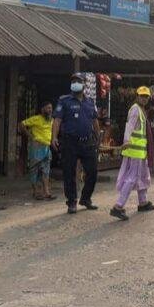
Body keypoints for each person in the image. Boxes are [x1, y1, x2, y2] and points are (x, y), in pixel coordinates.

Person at [51, 73, 101, 214]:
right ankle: (71, 202)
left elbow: (95, 121)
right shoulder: (64, 101)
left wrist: (98, 137)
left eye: (78, 81)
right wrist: (54, 137)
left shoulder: (90, 102)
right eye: (73, 81)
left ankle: (85, 198)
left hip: (87, 142)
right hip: (69, 142)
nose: (75, 83)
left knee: (92, 172)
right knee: (69, 173)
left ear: (84, 84)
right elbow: (57, 120)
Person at [111, 87, 154, 221]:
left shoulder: (141, 110)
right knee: (132, 178)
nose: (144, 98)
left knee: (143, 176)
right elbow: (129, 126)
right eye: (142, 96)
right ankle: (118, 206)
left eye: (146, 96)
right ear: (137, 96)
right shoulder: (136, 109)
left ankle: (143, 202)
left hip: (140, 151)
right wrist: (126, 140)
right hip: (134, 151)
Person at [20, 102, 56, 201]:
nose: (50, 110)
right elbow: (22, 124)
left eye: (51, 108)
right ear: (42, 109)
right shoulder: (36, 118)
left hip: (47, 147)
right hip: (36, 147)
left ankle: (47, 192)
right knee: (34, 170)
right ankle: (36, 192)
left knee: (46, 171)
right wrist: (30, 136)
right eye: (48, 108)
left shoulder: (52, 120)